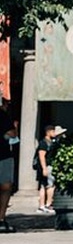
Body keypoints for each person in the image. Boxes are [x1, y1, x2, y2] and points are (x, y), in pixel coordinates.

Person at [36, 124, 65, 214]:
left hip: (46, 166)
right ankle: (47, 204)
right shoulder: (44, 143)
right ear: (48, 132)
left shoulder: (50, 142)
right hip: (47, 166)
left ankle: (42, 206)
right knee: (50, 186)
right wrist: (44, 168)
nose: (54, 133)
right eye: (53, 131)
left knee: (44, 186)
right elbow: (41, 156)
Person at [0, 100, 17, 233]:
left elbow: (12, 134)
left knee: (6, 186)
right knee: (5, 187)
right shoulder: (2, 114)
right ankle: (1, 218)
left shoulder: (2, 115)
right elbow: (12, 134)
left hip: (4, 154)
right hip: (4, 154)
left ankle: (1, 218)